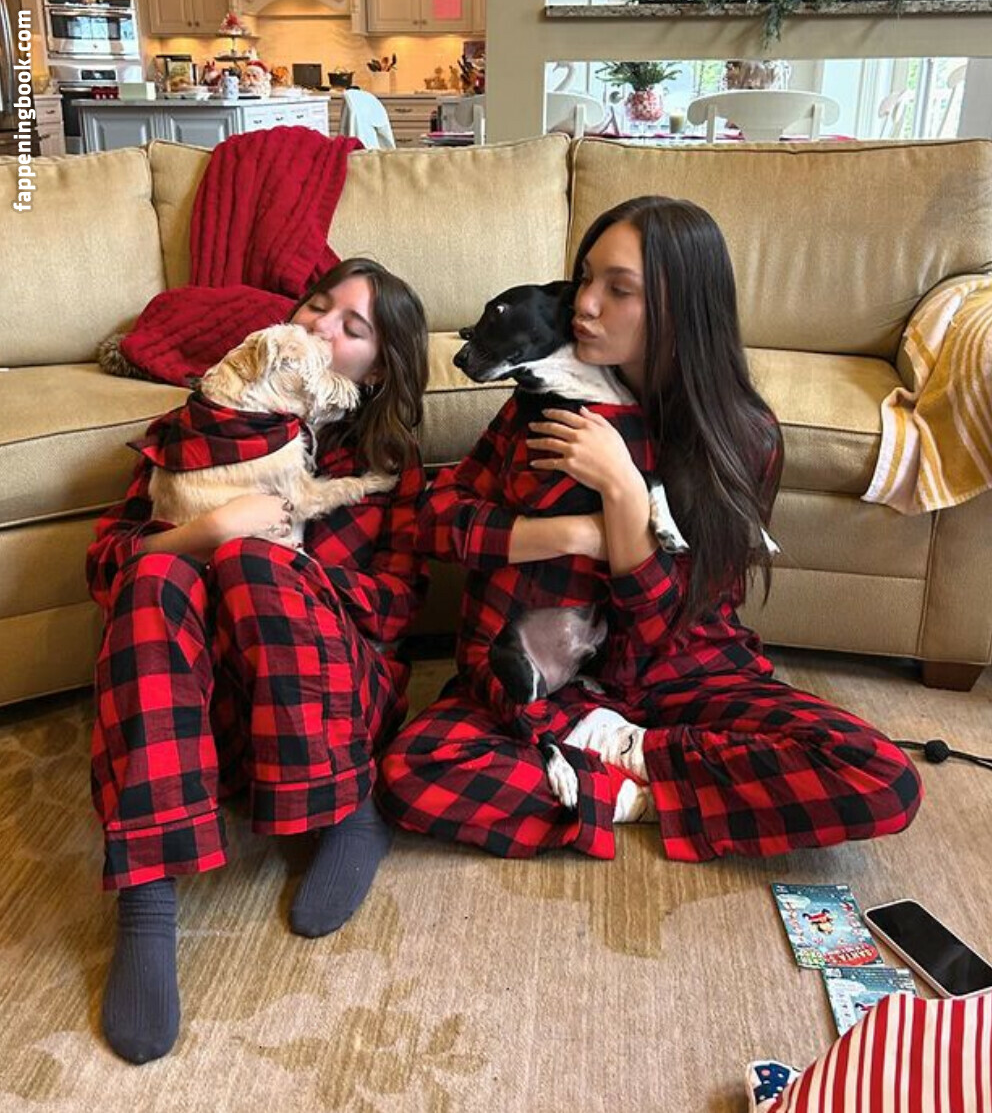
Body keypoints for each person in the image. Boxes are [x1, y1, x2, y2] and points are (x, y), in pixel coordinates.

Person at [377, 196, 922, 865]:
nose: (584, 305)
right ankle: (650, 784)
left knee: (879, 777)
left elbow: (671, 625)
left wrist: (623, 490)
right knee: (414, 770)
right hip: (556, 683)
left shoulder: (743, 438)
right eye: (585, 278)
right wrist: (577, 534)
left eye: (619, 289)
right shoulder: (545, 405)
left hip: (685, 671)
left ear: (680, 307)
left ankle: (622, 779)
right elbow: (434, 519)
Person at [87, 258, 430, 1064]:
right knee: (155, 574)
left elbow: (396, 609)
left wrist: (281, 564)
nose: (320, 327)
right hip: (204, 711)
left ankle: (352, 806)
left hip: (332, 701)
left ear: (377, 370)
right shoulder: (194, 429)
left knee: (254, 563)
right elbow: (104, 567)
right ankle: (145, 894)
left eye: (353, 328)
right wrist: (200, 533)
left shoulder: (387, 463)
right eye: (317, 306)